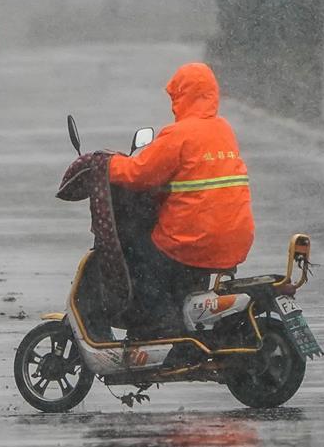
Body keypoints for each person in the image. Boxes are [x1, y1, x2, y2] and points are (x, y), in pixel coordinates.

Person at [109, 62, 255, 337]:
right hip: (235, 237)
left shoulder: (178, 135)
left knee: (139, 255)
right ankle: (186, 315)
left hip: (194, 239)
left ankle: (160, 324)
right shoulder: (224, 130)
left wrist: (108, 165)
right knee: (174, 258)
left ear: (182, 96)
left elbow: (139, 173)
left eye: (175, 96)